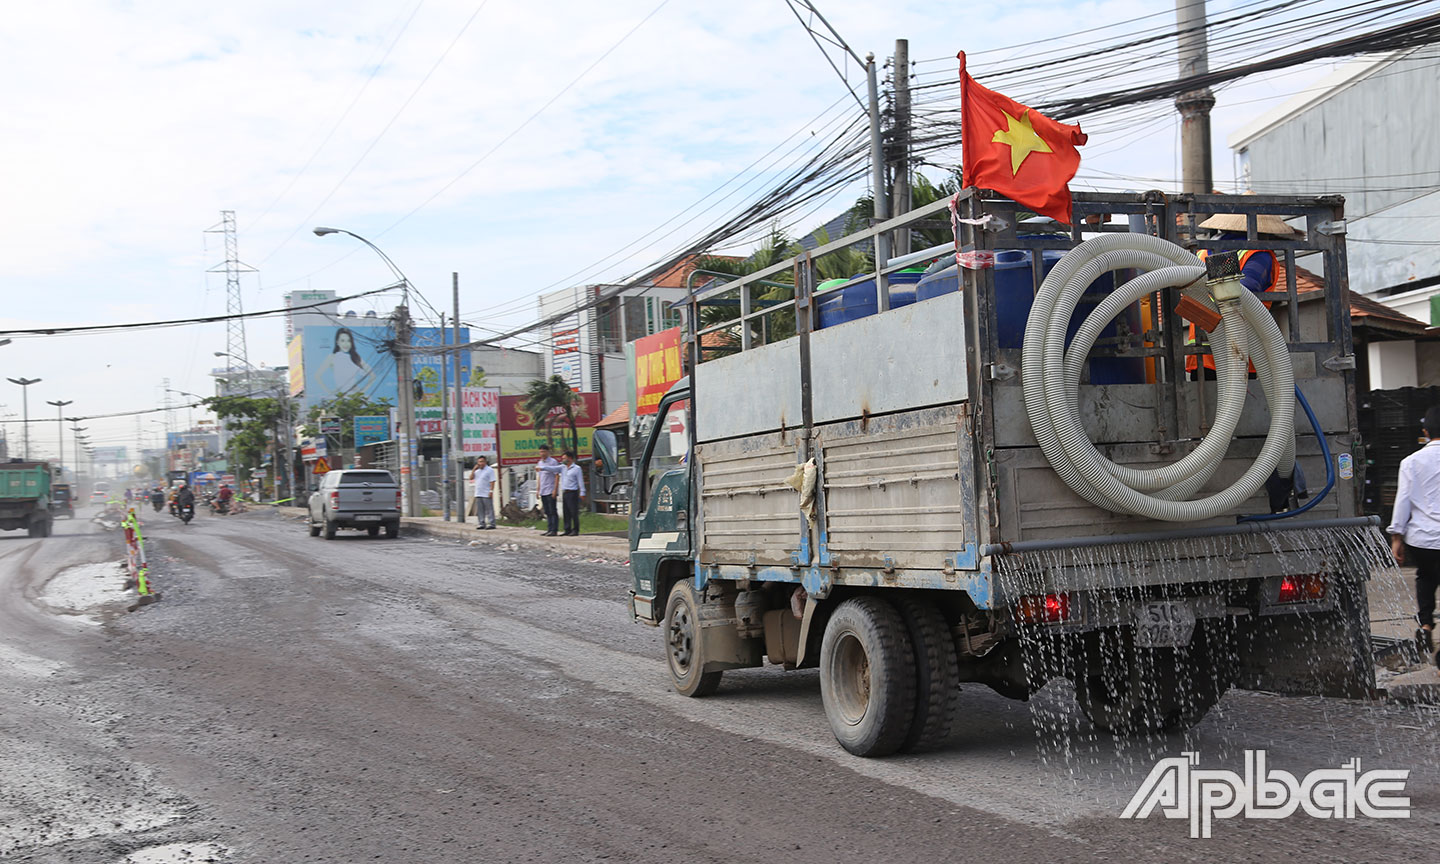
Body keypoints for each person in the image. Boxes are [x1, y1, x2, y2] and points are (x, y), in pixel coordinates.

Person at [1186, 213, 1300, 379]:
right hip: (1240, 353)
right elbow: (1244, 293)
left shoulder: (1204, 251)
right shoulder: (1258, 255)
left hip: (1202, 353)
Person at [1389, 405, 1440, 666]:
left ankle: (1427, 625)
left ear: (1425, 432)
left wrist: (1397, 538)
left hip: (1423, 540)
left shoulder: (1410, 462)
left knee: (1426, 578)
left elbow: (1403, 501)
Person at [315, 327, 374, 395]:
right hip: (340, 396)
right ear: (337, 342)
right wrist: (330, 392)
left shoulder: (355, 357)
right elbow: (317, 376)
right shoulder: (332, 357)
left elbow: (372, 376)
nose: (346, 344)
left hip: (354, 396)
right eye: (342, 341)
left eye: (348, 341)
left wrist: (361, 392)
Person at [535, 444, 563, 536]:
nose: (542, 453)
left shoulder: (553, 462)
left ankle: (554, 530)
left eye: (543, 451)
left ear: (547, 452)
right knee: (547, 511)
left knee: (552, 510)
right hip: (543, 490)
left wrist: (555, 490)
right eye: (540, 452)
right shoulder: (540, 463)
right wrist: (538, 490)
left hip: (550, 489)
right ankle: (549, 528)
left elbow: (556, 475)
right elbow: (540, 477)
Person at [559, 450, 586, 536]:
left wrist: (582, 492)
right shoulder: (563, 468)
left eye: (564, 458)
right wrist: (542, 468)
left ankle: (575, 529)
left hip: (572, 492)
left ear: (570, 458)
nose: (563, 460)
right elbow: (553, 468)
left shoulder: (577, 469)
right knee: (566, 512)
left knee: (573, 512)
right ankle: (567, 529)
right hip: (565, 492)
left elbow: (580, 481)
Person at [471, 455, 497, 530]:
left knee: (489, 509)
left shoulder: (489, 470)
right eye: (479, 462)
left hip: (486, 492)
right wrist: (474, 469)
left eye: (482, 461)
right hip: (478, 492)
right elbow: (471, 478)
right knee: (480, 509)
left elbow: (492, 481)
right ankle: (481, 523)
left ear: (485, 462)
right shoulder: (477, 471)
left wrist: (491, 491)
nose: (480, 463)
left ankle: (492, 523)